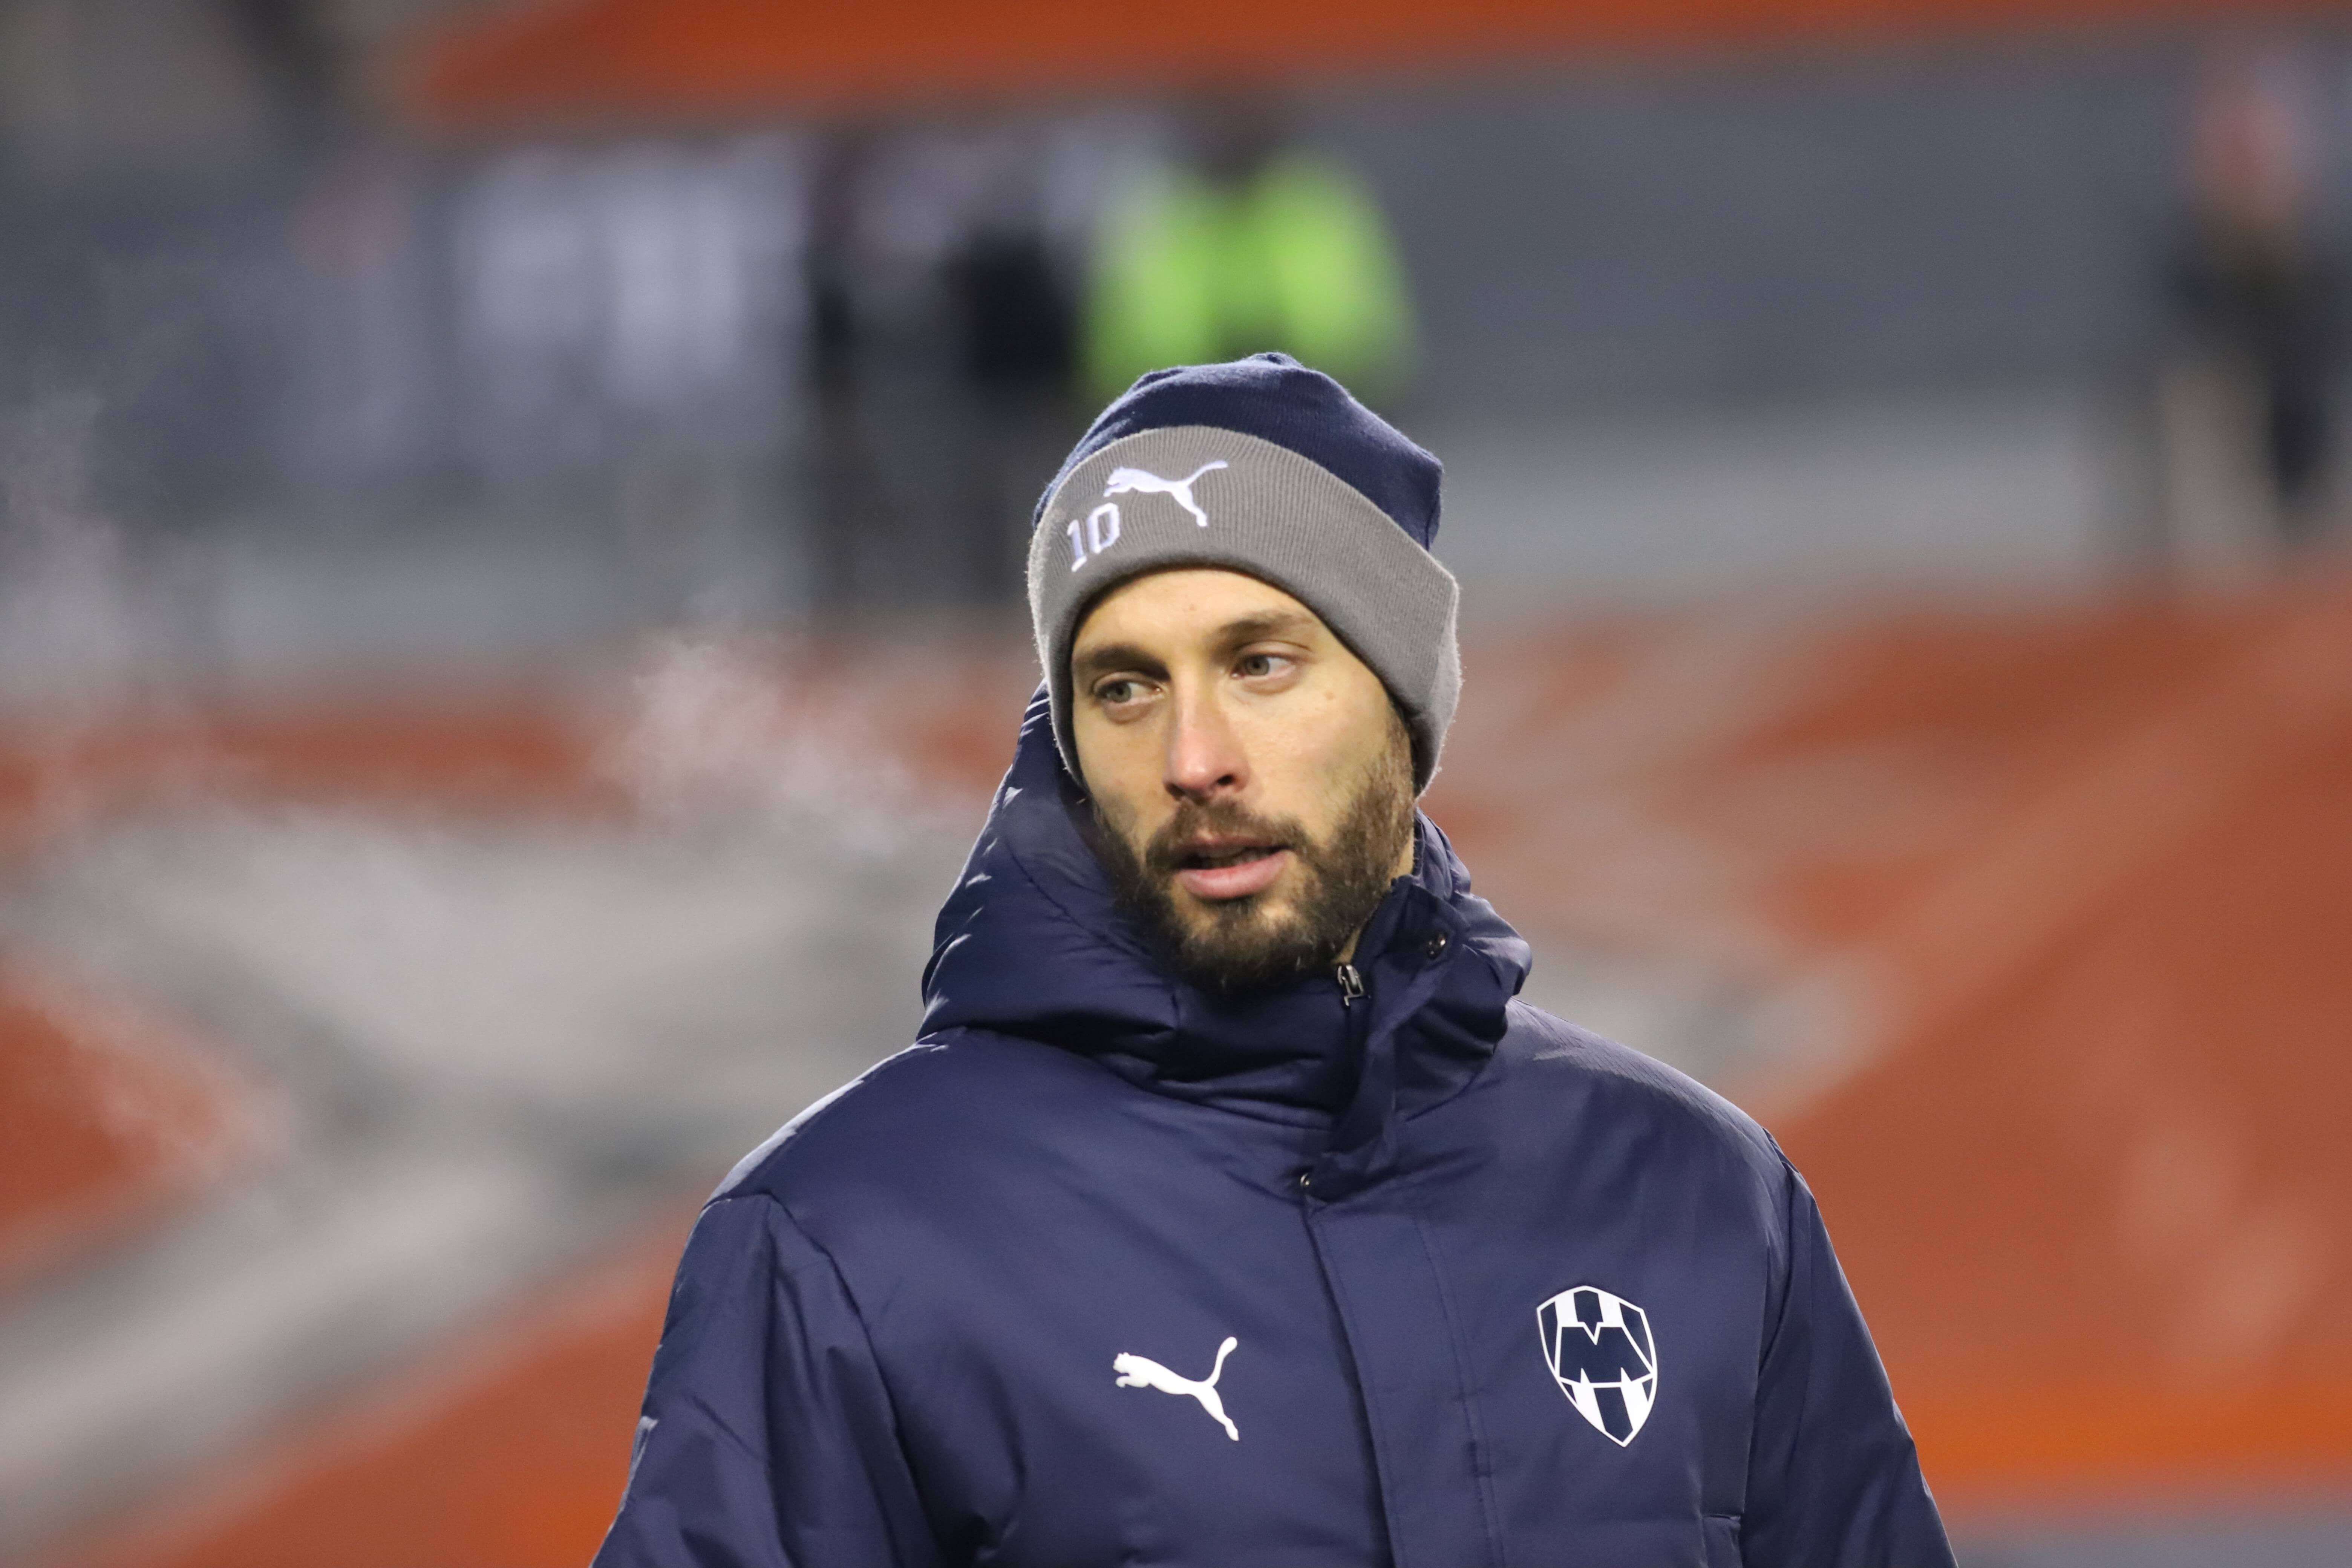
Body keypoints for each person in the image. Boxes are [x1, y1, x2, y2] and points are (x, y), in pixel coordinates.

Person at [593, 354, 1954, 1568]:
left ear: (1399, 700)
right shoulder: (846, 1239)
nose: (1194, 759)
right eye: (1124, 685)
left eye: (1259, 662)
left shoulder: (1699, 1198)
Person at [1084, 98, 1415, 405]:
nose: (1228, 130)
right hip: (1172, 417)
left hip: (1317, 409)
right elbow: (1134, 356)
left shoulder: (1315, 201)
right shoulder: (1154, 211)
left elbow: (1354, 343)